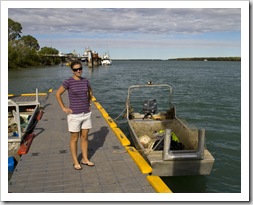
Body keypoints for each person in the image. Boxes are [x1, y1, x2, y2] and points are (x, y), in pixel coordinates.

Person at [56, 61, 94, 170]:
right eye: (76, 69)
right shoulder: (68, 82)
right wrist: (64, 107)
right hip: (74, 115)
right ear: (72, 70)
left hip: (86, 114)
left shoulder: (85, 81)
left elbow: (90, 91)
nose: (78, 71)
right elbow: (58, 94)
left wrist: (89, 103)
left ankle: (85, 159)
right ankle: (75, 161)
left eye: (80, 68)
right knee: (74, 138)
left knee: (85, 137)